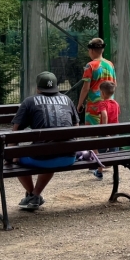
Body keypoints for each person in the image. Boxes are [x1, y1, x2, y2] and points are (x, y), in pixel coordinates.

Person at [13, 71, 79, 211]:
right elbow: (76, 128)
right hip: (68, 157)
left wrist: (12, 153)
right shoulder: (67, 100)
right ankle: (34, 195)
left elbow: (15, 131)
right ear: (55, 86)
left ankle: (33, 194)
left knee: (16, 158)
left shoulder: (29, 101)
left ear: (38, 87)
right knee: (50, 149)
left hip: (43, 158)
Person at [76, 37, 115, 125]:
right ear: (102, 50)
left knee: (93, 134)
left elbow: (86, 88)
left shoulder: (90, 65)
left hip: (95, 106)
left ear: (91, 50)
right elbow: (114, 84)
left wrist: (80, 103)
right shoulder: (110, 64)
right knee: (107, 133)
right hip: (109, 105)